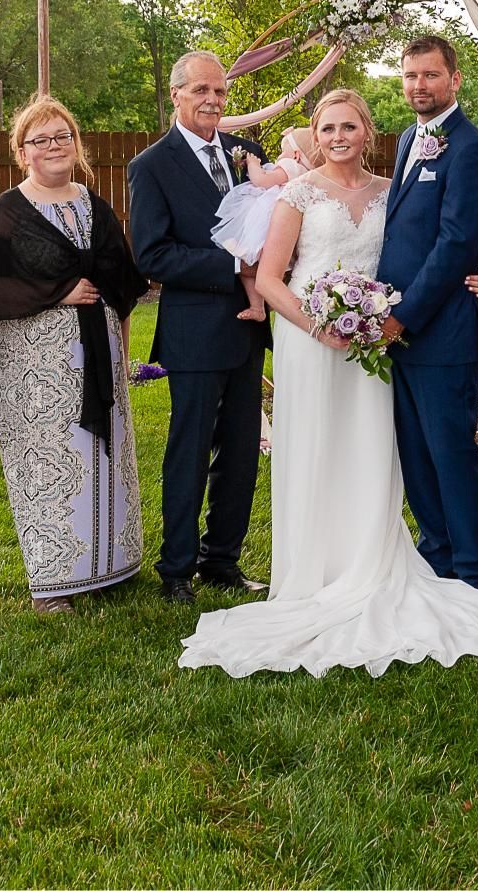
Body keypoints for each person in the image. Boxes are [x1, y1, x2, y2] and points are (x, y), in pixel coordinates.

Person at [178, 89, 478, 677]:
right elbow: (273, 279)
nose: (337, 136)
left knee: (373, 451)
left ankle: (375, 559)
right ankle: (311, 571)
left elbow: (429, 246)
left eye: (348, 126)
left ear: (367, 131)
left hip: (375, 345)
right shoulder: (296, 195)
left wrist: (473, 275)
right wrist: (317, 325)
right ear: (314, 133)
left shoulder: (390, 192)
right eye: (327, 127)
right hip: (312, 346)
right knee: (315, 453)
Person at [0, 96, 150, 615]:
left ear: (76, 144)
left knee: (99, 456)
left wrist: (122, 344)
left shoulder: (93, 204)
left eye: (61, 136)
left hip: (98, 349)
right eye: (39, 140)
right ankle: (53, 580)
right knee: (48, 460)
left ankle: (108, 564)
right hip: (33, 361)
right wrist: (57, 293)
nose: (52, 147)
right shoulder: (8, 212)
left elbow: (124, 278)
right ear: (22, 152)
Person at [127, 51, 269, 603]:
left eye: (220, 91)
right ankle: (177, 569)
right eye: (201, 91)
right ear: (176, 95)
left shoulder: (247, 154)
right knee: (188, 451)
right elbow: (153, 255)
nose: (213, 100)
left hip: (249, 330)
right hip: (193, 331)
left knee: (240, 450)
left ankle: (222, 561)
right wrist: (236, 266)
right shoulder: (152, 166)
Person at [376, 35, 478, 591]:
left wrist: (402, 314)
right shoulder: (408, 139)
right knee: (416, 453)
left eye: (429, 75)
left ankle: (474, 571)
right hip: (398, 332)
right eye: (410, 76)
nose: (418, 86)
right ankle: (437, 558)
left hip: (441, 329)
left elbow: (454, 244)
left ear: (454, 80)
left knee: (450, 452)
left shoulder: (469, 147)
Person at [212, 125, 317, 320]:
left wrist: (252, 164)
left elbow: (261, 180)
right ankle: (261, 306)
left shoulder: (290, 166)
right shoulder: (309, 175)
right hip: (279, 222)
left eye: (283, 149)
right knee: (257, 266)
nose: (280, 155)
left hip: (267, 222)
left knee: (245, 261)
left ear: (295, 154)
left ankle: (257, 306)